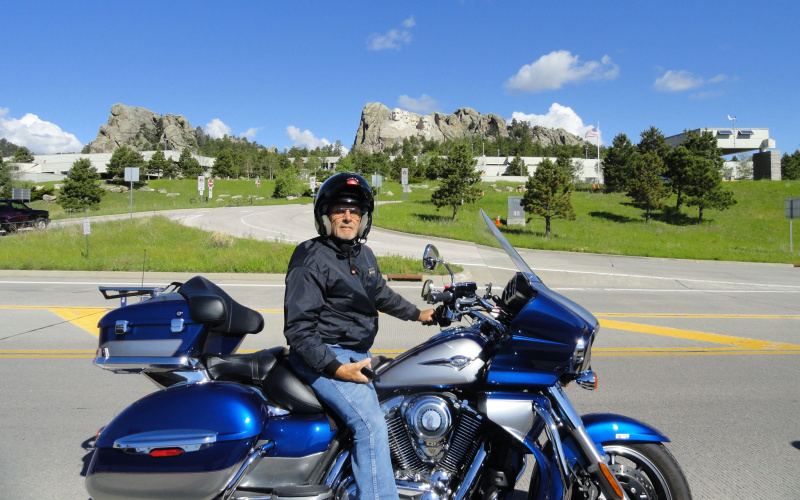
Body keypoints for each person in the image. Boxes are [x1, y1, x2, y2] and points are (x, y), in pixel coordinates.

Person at [283, 172, 434, 500]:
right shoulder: (310, 258)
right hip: (324, 357)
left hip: (353, 352)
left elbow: (380, 294)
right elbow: (299, 330)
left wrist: (420, 314)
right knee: (370, 426)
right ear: (325, 215)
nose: (348, 216)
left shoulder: (362, 255)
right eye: (340, 209)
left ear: (364, 219)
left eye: (355, 211)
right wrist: (337, 369)